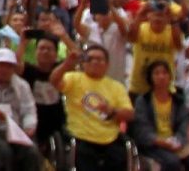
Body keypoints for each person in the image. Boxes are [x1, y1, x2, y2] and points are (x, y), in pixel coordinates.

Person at [52, 41, 133, 171]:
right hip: (81, 137)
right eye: (90, 59)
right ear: (83, 63)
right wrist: (67, 64)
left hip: (110, 138)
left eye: (99, 59)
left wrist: (111, 112)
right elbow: (54, 81)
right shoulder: (73, 78)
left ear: (107, 64)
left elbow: (129, 114)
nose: (95, 62)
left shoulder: (117, 86)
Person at [132, 59, 189, 171]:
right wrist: (160, 141)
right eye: (157, 73)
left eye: (164, 73)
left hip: (175, 143)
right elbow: (142, 130)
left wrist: (177, 141)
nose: (161, 76)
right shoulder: (143, 101)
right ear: (151, 77)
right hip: (153, 144)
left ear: (170, 76)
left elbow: (183, 124)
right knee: (172, 162)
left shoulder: (178, 100)